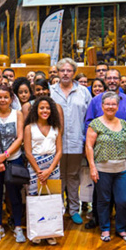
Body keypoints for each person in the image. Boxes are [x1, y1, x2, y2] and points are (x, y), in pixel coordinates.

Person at [86, 91, 126, 243]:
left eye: (114, 104)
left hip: (121, 170)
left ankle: (121, 228)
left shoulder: (123, 123)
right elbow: (89, 146)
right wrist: (92, 167)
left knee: (123, 200)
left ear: (118, 106)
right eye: (107, 104)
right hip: (102, 169)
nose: (110, 107)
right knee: (103, 200)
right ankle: (105, 229)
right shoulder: (95, 124)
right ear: (102, 106)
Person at [50, 58, 92, 224]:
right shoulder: (51, 90)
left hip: (76, 140)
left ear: (73, 73)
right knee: (57, 176)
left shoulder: (83, 92)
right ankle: (58, 209)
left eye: (68, 71)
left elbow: (89, 118)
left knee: (74, 176)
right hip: (55, 142)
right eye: (62, 71)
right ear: (58, 72)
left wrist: (86, 139)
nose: (65, 74)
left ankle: (74, 209)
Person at [0, 84, 26, 242]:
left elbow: (20, 137)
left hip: (13, 160)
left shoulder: (18, 114)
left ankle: (17, 227)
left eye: (5, 97)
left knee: (14, 195)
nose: (2, 100)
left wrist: (5, 155)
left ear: (11, 98)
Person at [23, 96, 63, 245]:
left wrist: (50, 170)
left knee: (51, 199)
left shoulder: (55, 128)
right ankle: (37, 231)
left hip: (53, 167)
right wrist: (40, 171)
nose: (45, 110)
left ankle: (50, 231)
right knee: (35, 199)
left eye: (47, 108)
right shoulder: (29, 127)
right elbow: (28, 152)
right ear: (36, 110)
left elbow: (59, 151)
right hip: (35, 168)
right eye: (41, 108)